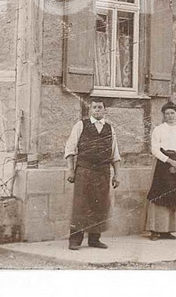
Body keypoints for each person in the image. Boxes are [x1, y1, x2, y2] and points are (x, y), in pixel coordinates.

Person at [64, 99, 121, 250]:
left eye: (100, 107)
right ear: (90, 110)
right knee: (81, 205)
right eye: (94, 107)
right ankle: (75, 240)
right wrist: (71, 170)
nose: (97, 110)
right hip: (84, 171)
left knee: (100, 205)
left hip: (103, 173)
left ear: (104, 110)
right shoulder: (81, 125)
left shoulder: (109, 128)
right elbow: (70, 148)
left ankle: (95, 239)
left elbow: (115, 154)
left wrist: (117, 175)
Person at [146, 101, 176, 240]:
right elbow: (154, 149)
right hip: (163, 163)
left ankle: (168, 230)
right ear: (163, 115)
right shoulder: (158, 129)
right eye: (167, 113)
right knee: (159, 195)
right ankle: (155, 230)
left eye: (172, 113)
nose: (170, 116)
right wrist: (169, 161)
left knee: (174, 196)